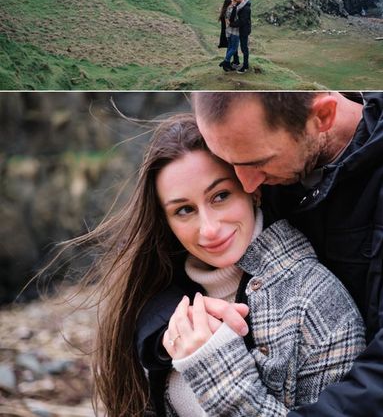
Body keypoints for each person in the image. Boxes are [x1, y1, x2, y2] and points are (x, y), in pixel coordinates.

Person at [137, 92, 383, 417]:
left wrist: (221, 378)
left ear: (322, 116)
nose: (248, 185)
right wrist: (175, 323)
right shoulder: (263, 146)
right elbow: (170, 259)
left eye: (257, 163)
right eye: (229, 163)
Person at [77, 113, 366, 416]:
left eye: (220, 196)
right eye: (184, 210)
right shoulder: (159, 299)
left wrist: (214, 367)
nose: (209, 229)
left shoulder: (315, 302)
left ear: (252, 188)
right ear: (166, 222)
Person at [218, 0, 241, 71]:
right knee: (234, 48)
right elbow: (235, 18)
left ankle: (226, 64)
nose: (233, 2)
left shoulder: (226, 10)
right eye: (232, 1)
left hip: (228, 32)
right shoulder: (231, 10)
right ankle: (226, 61)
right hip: (234, 32)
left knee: (230, 47)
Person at [232, 0, 251, 73]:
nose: (234, 1)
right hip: (238, 29)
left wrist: (232, 24)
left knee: (244, 48)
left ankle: (245, 66)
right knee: (234, 46)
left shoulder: (246, 8)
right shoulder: (239, 5)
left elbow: (243, 21)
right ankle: (236, 61)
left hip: (244, 30)